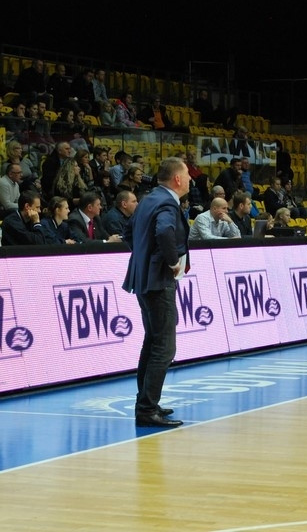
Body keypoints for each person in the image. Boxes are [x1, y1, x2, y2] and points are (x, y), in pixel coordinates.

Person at [122, 157, 191, 428]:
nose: (189, 179)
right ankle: (147, 410)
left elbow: (128, 232)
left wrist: (144, 257)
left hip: (143, 279)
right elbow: (164, 232)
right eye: (186, 175)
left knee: (152, 342)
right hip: (159, 280)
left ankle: (146, 402)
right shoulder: (166, 203)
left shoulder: (148, 199)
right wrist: (172, 262)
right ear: (176, 179)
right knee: (164, 347)